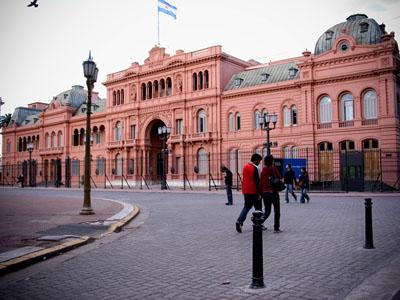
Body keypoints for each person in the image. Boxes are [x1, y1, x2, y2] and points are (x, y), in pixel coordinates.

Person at [235, 153, 262, 233]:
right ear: (256, 160)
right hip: (254, 191)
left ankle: (239, 221)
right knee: (258, 208)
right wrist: (260, 193)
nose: (259, 163)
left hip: (246, 190)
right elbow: (257, 181)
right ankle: (259, 224)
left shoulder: (245, 166)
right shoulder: (255, 168)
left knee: (246, 207)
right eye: (259, 161)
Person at [260, 154, 282, 233]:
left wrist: (260, 193)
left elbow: (261, 183)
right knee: (277, 211)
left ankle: (258, 223)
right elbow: (279, 177)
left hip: (265, 193)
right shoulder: (273, 169)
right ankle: (276, 228)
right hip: (274, 193)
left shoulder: (263, 170)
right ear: (272, 161)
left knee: (267, 211)